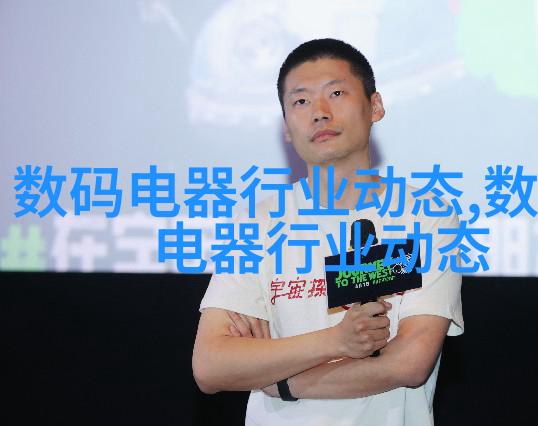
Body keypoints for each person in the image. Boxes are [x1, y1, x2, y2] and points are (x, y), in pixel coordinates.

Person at [192, 38, 463, 426]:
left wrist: (283, 382)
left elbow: (409, 362)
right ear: (286, 128)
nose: (319, 113)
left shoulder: (425, 215)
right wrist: (335, 341)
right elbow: (211, 365)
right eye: (301, 101)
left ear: (375, 106)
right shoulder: (258, 223)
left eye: (336, 93)